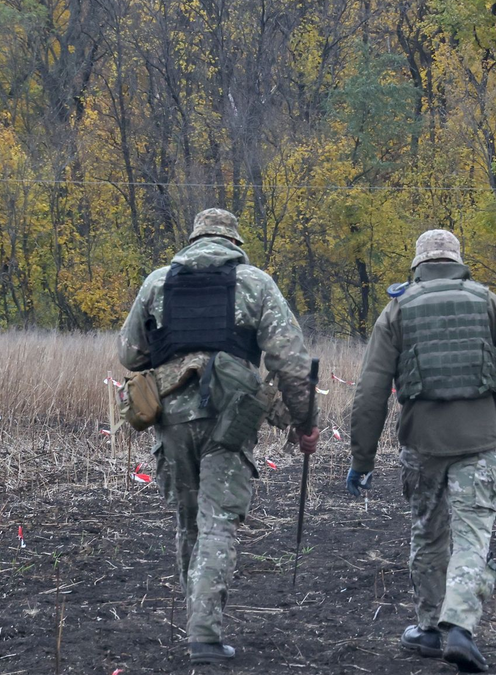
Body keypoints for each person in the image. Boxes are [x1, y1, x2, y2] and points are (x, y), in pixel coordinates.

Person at [119, 208, 319, 665]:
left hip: (172, 417)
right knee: (218, 523)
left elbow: (129, 354)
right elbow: (290, 360)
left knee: (188, 523)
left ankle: (196, 626)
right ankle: (205, 636)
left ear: (193, 239)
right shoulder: (256, 283)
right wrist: (305, 423)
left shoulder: (156, 283)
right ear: (234, 241)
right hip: (232, 417)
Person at [345, 229, 496, 673]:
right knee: (472, 536)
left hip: (423, 444)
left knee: (429, 533)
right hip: (481, 442)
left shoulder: (397, 310)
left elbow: (369, 394)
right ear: (458, 260)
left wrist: (361, 460)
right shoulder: (488, 302)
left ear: (417, 264)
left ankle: (430, 628)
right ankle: (460, 626)